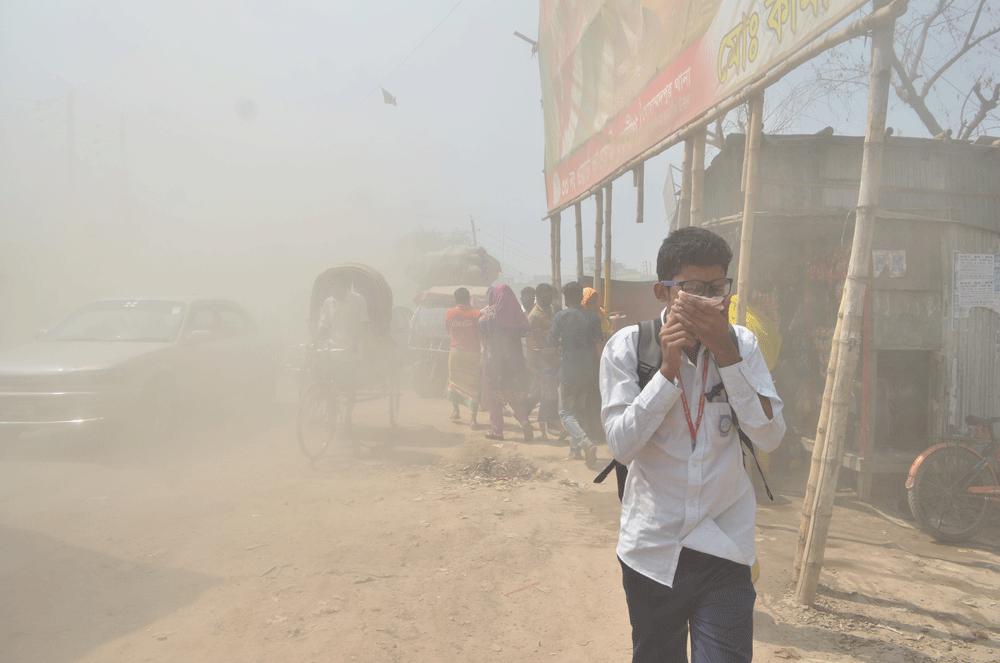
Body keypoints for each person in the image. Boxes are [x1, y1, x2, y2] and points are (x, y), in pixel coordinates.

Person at [599, 227, 785, 663]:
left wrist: (728, 356)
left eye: (717, 288)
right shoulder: (628, 347)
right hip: (653, 549)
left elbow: (770, 435)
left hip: (725, 545)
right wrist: (666, 373)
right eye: (693, 290)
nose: (708, 301)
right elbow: (621, 444)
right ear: (662, 292)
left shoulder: (743, 345)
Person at [550, 281, 603, 466]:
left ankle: (585, 443)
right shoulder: (593, 317)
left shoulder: (561, 317)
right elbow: (599, 348)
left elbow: (552, 342)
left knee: (565, 412)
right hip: (588, 371)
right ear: (581, 296)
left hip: (568, 371)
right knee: (579, 410)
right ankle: (575, 451)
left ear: (566, 297)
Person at [479, 284, 534, 442]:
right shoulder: (518, 315)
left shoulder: (487, 315)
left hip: (494, 361)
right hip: (514, 363)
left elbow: (482, 334)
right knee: (512, 394)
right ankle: (524, 422)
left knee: (494, 395)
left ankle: (497, 431)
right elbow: (526, 330)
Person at [526, 283, 561, 439]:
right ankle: (549, 423)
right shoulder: (534, 316)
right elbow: (534, 341)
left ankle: (524, 413)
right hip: (540, 359)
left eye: (550, 295)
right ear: (538, 297)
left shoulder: (551, 311)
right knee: (547, 392)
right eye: (544, 295)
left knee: (542, 392)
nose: (548, 298)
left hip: (551, 358)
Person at [445, 287, 481, 426]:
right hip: (473, 353)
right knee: (473, 385)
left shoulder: (449, 313)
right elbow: (480, 333)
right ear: (468, 298)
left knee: (454, 381)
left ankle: (456, 411)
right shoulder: (476, 313)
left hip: (455, 352)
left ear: (455, 299)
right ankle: (473, 418)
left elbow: (448, 330)